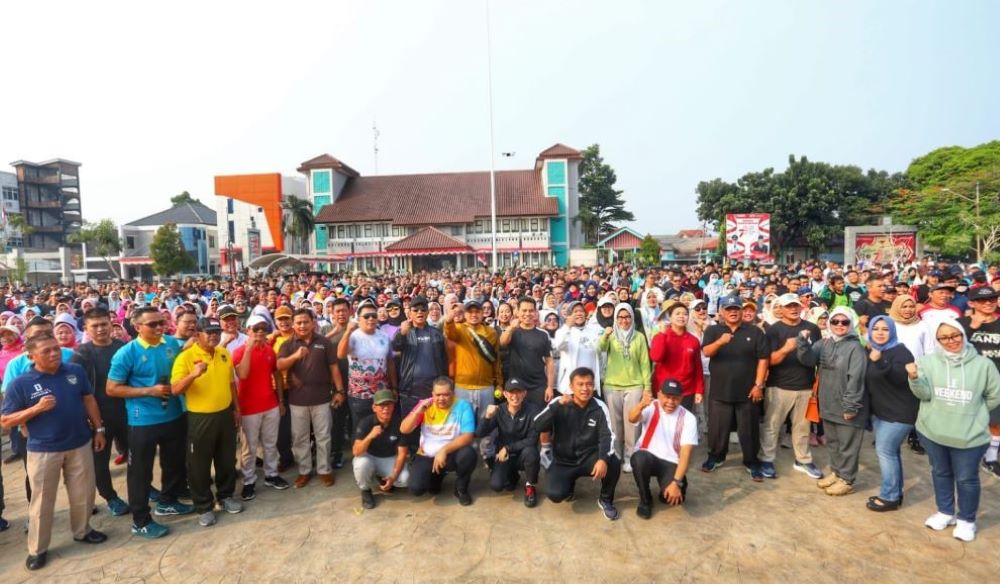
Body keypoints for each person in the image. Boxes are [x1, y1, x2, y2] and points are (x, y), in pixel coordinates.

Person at [1, 333, 108, 571]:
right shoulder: (21, 383)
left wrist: (99, 429)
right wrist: (36, 409)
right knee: (42, 502)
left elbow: (88, 399)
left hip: (79, 444)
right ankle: (37, 549)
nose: (54, 354)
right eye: (46, 351)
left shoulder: (74, 372)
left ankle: (82, 530)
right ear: (31, 356)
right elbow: (6, 420)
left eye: (56, 349)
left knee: (83, 493)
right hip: (43, 450)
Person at [907, 318, 1000, 542]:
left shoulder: (983, 365)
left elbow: (994, 396)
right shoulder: (927, 362)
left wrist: (973, 413)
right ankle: (945, 512)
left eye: (955, 335)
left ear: (962, 334)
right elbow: (924, 394)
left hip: (969, 435)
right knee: (940, 473)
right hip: (933, 432)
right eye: (944, 338)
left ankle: (967, 520)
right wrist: (914, 378)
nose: (951, 341)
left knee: (967, 479)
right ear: (938, 341)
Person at [107, 306, 193, 539]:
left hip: (173, 415)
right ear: (137, 327)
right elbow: (112, 388)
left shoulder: (171, 344)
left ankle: (168, 501)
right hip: (142, 420)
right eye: (152, 324)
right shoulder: (127, 353)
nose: (159, 327)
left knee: (173, 463)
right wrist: (149, 391)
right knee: (140, 472)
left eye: (161, 322)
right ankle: (141, 520)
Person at [171, 317, 243, 527]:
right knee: (199, 465)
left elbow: (231, 384)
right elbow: (175, 389)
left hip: (225, 415)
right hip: (200, 418)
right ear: (197, 335)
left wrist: (236, 409)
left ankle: (226, 496)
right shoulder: (185, 357)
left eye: (216, 332)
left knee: (226, 459)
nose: (213, 336)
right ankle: (204, 505)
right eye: (208, 332)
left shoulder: (223, 353)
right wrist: (193, 374)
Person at [533, 367, 621, 520]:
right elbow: (537, 425)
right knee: (555, 494)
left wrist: (602, 459)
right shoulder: (558, 403)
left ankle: (605, 499)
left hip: (588, 458)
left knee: (613, 461)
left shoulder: (600, 407)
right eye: (580, 384)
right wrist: (557, 406)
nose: (585, 388)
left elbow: (607, 436)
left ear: (594, 386)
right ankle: (569, 486)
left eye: (589, 384)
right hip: (563, 461)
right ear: (571, 386)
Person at [797, 307, 868, 496]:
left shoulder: (855, 348)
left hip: (847, 406)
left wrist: (851, 406)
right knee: (834, 443)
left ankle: (847, 480)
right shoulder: (825, 343)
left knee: (848, 446)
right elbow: (808, 360)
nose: (839, 325)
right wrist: (802, 342)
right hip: (828, 403)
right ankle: (837, 473)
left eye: (844, 322)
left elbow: (856, 378)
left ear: (851, 324)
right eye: (835, 321)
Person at [700, 296, 769, 481]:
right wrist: (720, 342)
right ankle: (716, 457)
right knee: (717, 429)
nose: (733, 312)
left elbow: (763, 359)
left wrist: (758, 385)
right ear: (721, 311)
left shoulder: (755, 332)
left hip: (748, 391)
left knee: (749, 430)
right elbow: (706, 351)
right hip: (720, 390)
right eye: (729, 308)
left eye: (736, 308)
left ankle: (751, 462)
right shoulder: (713, 330)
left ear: (741, 311)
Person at [70, 307, 130, 516]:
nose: (100, 329)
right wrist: (91, 421)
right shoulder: (81, 354)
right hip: (98, 416)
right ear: (86, 329)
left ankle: (144, 487)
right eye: (94, 326)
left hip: (126, 411)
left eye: (104, 324)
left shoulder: (121, 347)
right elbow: (76, 390)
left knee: (136, 454)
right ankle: (110, 497)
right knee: (100, 461)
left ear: (111, 324)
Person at [759, 293, 824, 480]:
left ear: (801, 307)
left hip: (806, 386)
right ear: (781, 309)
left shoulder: (812, 328)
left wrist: (817, 384)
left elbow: (818, 357)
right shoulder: (773, 331)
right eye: (789, 306)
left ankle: (803, 459)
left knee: (803, 427)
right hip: (779, 386)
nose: (793, 309)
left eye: (796, 305)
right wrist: (786, 348)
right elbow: (768, 361)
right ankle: (766, 459)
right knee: (772, 426)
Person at [278, 308, 342, 488]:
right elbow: (280, 365)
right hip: (297, 400)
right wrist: (295, 356)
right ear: (293, 324)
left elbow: (334, 367)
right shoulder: (288, 345)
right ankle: (304, 471)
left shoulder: (324, 342)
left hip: (322, 399)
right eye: (298, 322)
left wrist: (340, 391)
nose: (302, 325)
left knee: (323, 436)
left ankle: (324, 470)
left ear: (313, 323)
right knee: (300, 438)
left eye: (305, 322)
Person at [233, 315, 290, 496]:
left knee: (270, 444)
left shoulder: (269, 350)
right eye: (256, 328)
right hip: (249, 408)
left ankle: (271, 475)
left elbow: (277, 375)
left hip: (270, 405)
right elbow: (242, 375)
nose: (260, 332)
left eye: (263, 329)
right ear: (247, 330)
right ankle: (249, 481)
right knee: (249, 448)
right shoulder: (239, 352)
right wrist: (249, 349)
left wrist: (280, 401)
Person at [865, 316, 917, 512]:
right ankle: (896, 491)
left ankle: (889, 497)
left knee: (885, 451)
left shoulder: (901, 352)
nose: (880, 332)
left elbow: (900, 379)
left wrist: (879, 362)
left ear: (892, 331)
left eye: (885, 329)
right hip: (881, 413)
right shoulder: (873, 350)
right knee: (892, 452)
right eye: (876, 328)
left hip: (899, 414)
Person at [400, 376, 477, 506]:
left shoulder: (463, 405)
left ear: (453, 393)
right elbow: (404, 429)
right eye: (438, 395)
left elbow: (468, 436)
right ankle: (437, 476)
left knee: (468, 454)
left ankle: (461, 488)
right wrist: (418, 412)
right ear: (432, 394)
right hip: (427, 454)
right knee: (416, 489)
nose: (441, 398)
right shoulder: (424, 404)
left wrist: (444, 450)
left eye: (446, 395)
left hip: (451, 454)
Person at [628, 379, 698, 519]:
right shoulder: (651, 406)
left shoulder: (688, 418)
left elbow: (685, 453)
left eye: (675, 398)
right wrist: (641, 405)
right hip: (648, 455)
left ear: (681, 398)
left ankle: (664, 490)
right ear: (659, 395)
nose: (670, 402)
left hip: (670, 461)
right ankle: (645, 499)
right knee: (638, 459)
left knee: (674, 499)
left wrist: (676, 483)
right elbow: (632, 418)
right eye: (667, 397)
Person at [597, 303, 652, 472]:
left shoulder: (639, 337)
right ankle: (616, 455)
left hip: (634, 385)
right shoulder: (611, 335)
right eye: (620, 317)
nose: (624, 320)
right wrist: (605, 336)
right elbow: (599, 349)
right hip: (612, 385)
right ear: (615, 318)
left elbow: (645, 363)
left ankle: (630, 457)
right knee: (615, 425)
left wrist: (647, 387)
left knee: (633, 424)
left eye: (627, 316)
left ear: (632, 317)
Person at [476, 377, 541, 507]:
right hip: (504, 457)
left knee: (531, 453)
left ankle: (530, 486)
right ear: (505, 394)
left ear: (524, 393)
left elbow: (532, 439)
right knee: (497, 485)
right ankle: (512, 476)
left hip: (522, 454)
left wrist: (508, 448)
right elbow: (480, 433)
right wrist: (487, 417)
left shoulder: (533, 410)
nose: (515, 396)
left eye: (518, 392)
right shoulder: (499, 410)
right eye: (511, 392)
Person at [958, 287, 1000, 478]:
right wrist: (972, 327)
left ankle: (990, 458)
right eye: (983, 300)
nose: (988, 303)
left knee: (996, 423)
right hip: (967, 381)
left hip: (996, 382)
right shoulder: (960, 323)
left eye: (992, 299)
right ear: (971, 303)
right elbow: (949, 347)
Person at [337, 302, 396, 435]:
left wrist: (394, 387)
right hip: (359, 395)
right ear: (358, 318)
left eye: (374, 316)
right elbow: (340, 354)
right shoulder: (353, 336)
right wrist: (348, 331)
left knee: (381, 429)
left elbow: (390, 363)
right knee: (360, 430)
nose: (371, 319)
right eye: (367, 316)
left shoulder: (384, 336)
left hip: (381, 393)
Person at [352, 389, 409, 510]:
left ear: (393, 406)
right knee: (361, 464)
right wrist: (370, 436)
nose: (386, 409)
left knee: (405, 479)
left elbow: (402, 453)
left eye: (389, 404)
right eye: (382, 405)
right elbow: (356, 452)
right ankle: (365, 490)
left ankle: (383, 478)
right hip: (369, 457)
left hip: (388, 458)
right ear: (374, 408)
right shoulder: (366, 423)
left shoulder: (399, 423)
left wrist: (393, 476)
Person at [650, 302, 704, 411]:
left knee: (683, 420)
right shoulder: (661, 336)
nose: (681, 316)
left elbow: (698, 367)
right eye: (677, 313)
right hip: (664, 389)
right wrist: (662, 335)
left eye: (685, 314)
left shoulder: (693, 340)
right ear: (670, 317)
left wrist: (699, 390)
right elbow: (656, 357)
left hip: (686, 391)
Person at [552, 301, 604, 396]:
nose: (579, 314)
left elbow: (600, 351)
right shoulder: (563, 331)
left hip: (590, 385)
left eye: (581, 311)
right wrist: (567, 326)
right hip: (571, 387)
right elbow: (559, 345)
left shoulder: (593, 331)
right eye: (575, 311)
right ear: (569, 315)